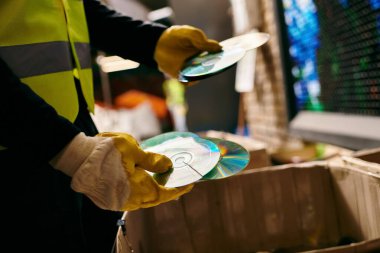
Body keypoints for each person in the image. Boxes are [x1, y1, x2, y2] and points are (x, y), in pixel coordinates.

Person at [0, 0, 221, 252]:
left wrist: (151, 41)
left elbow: (72, 9)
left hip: (72, 127)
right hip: (18, 148)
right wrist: (70, 151)